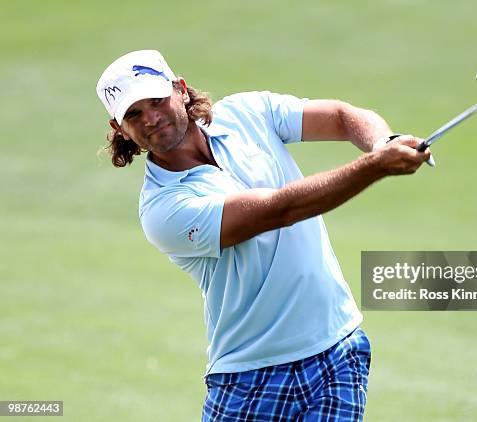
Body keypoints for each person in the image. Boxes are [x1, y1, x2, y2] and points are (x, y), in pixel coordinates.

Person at [96, 50, 430, 421]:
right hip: (251, 377)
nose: (151, 118)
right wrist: (375, 167)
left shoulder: (247, 112)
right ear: (119, 128)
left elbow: (339, 116)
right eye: (134, 114)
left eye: (157, 100)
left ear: (181, 90)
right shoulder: (162, 208)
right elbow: (280, 210)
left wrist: (382, 142)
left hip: (339, 349)